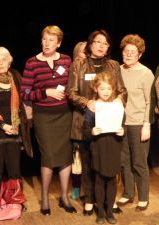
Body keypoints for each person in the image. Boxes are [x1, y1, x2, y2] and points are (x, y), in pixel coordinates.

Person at [66, 29, 127, 215]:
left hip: (110, 123)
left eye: (105, 43)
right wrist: (88, 103)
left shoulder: (114, 65)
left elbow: (122, 90)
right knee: (88, 162)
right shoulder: (79, 65)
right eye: (98, 42)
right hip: (86, 121)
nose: (101, 46)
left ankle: (110, 200)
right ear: (90, 44)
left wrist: (119, 99)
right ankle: (90, 200)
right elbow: (71, 92)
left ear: (108, 47)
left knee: (110, 162)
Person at [21, 25, 76, 215]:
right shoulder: (32, 63)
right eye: (44, 39)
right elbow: (25, 93)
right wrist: (46, 92)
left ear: (59, 43)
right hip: (44, 118)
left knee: (65, 157)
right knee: (49, 157)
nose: (47, 43)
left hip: (65, 116)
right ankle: (44, 198)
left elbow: (73, 85)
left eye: (51, 40)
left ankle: (64, 196)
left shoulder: (67, 60)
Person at [0, 46, 32, 206]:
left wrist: (15, 126)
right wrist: (3, 125)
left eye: (4, 60)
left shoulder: (15, 76)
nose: (1, 63)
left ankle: (15, 200)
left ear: (9, 63)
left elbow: (21, 105)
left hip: (14, 129)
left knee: (14, 169)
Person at [117, 34, 153, 212]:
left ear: (139, 54)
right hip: (120, 123)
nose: (129, 54)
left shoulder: (146, 73)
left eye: (133, 52)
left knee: (139, 162)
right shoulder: (118, 70)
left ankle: (144, 197)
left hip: (138, 123)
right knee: (124, 161)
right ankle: (128, 193)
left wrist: (147, 125)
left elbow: (149, 102)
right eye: (126, 51)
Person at [83, 72, 125, 224]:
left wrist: (122, 131)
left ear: (113, 89)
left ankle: (110, 212)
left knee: (112, 180)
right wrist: (91, 132)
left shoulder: (117, 105)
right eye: (102, 88)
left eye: (109, 88)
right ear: (96, 89)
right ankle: (100, 211)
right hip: (98, 146)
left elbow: (122, 125)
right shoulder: (93, 107)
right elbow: (85, 130)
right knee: (100, 179)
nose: (106, 92)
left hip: (114, 144)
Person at [70, 41, 87, 200]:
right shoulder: (72, 70)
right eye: (83, 51)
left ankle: (88, 189)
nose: (86, 54)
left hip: (92, 119)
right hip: (75, 119)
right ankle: (76, 187)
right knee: (76, 158)